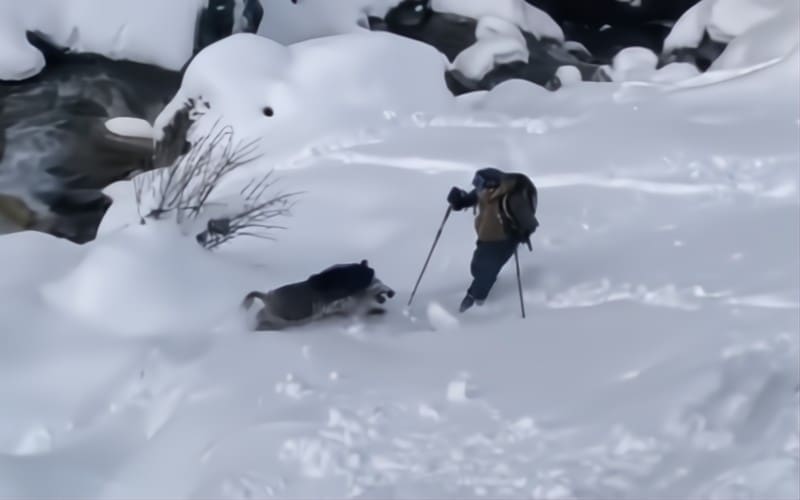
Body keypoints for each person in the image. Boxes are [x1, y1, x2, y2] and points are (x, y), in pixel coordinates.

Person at [447, 167, 539, 312]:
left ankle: (475, 301)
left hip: (504, 241)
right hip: (486, 238)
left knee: (486, 272)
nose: (477, 188)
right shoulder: (485, 192)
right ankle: (481, 287)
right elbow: (471, 198)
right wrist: (459, 201)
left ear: (492, 187)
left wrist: (521, 233)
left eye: (480, 184)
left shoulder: (512, 200)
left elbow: (530, 224)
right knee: (476, 267)